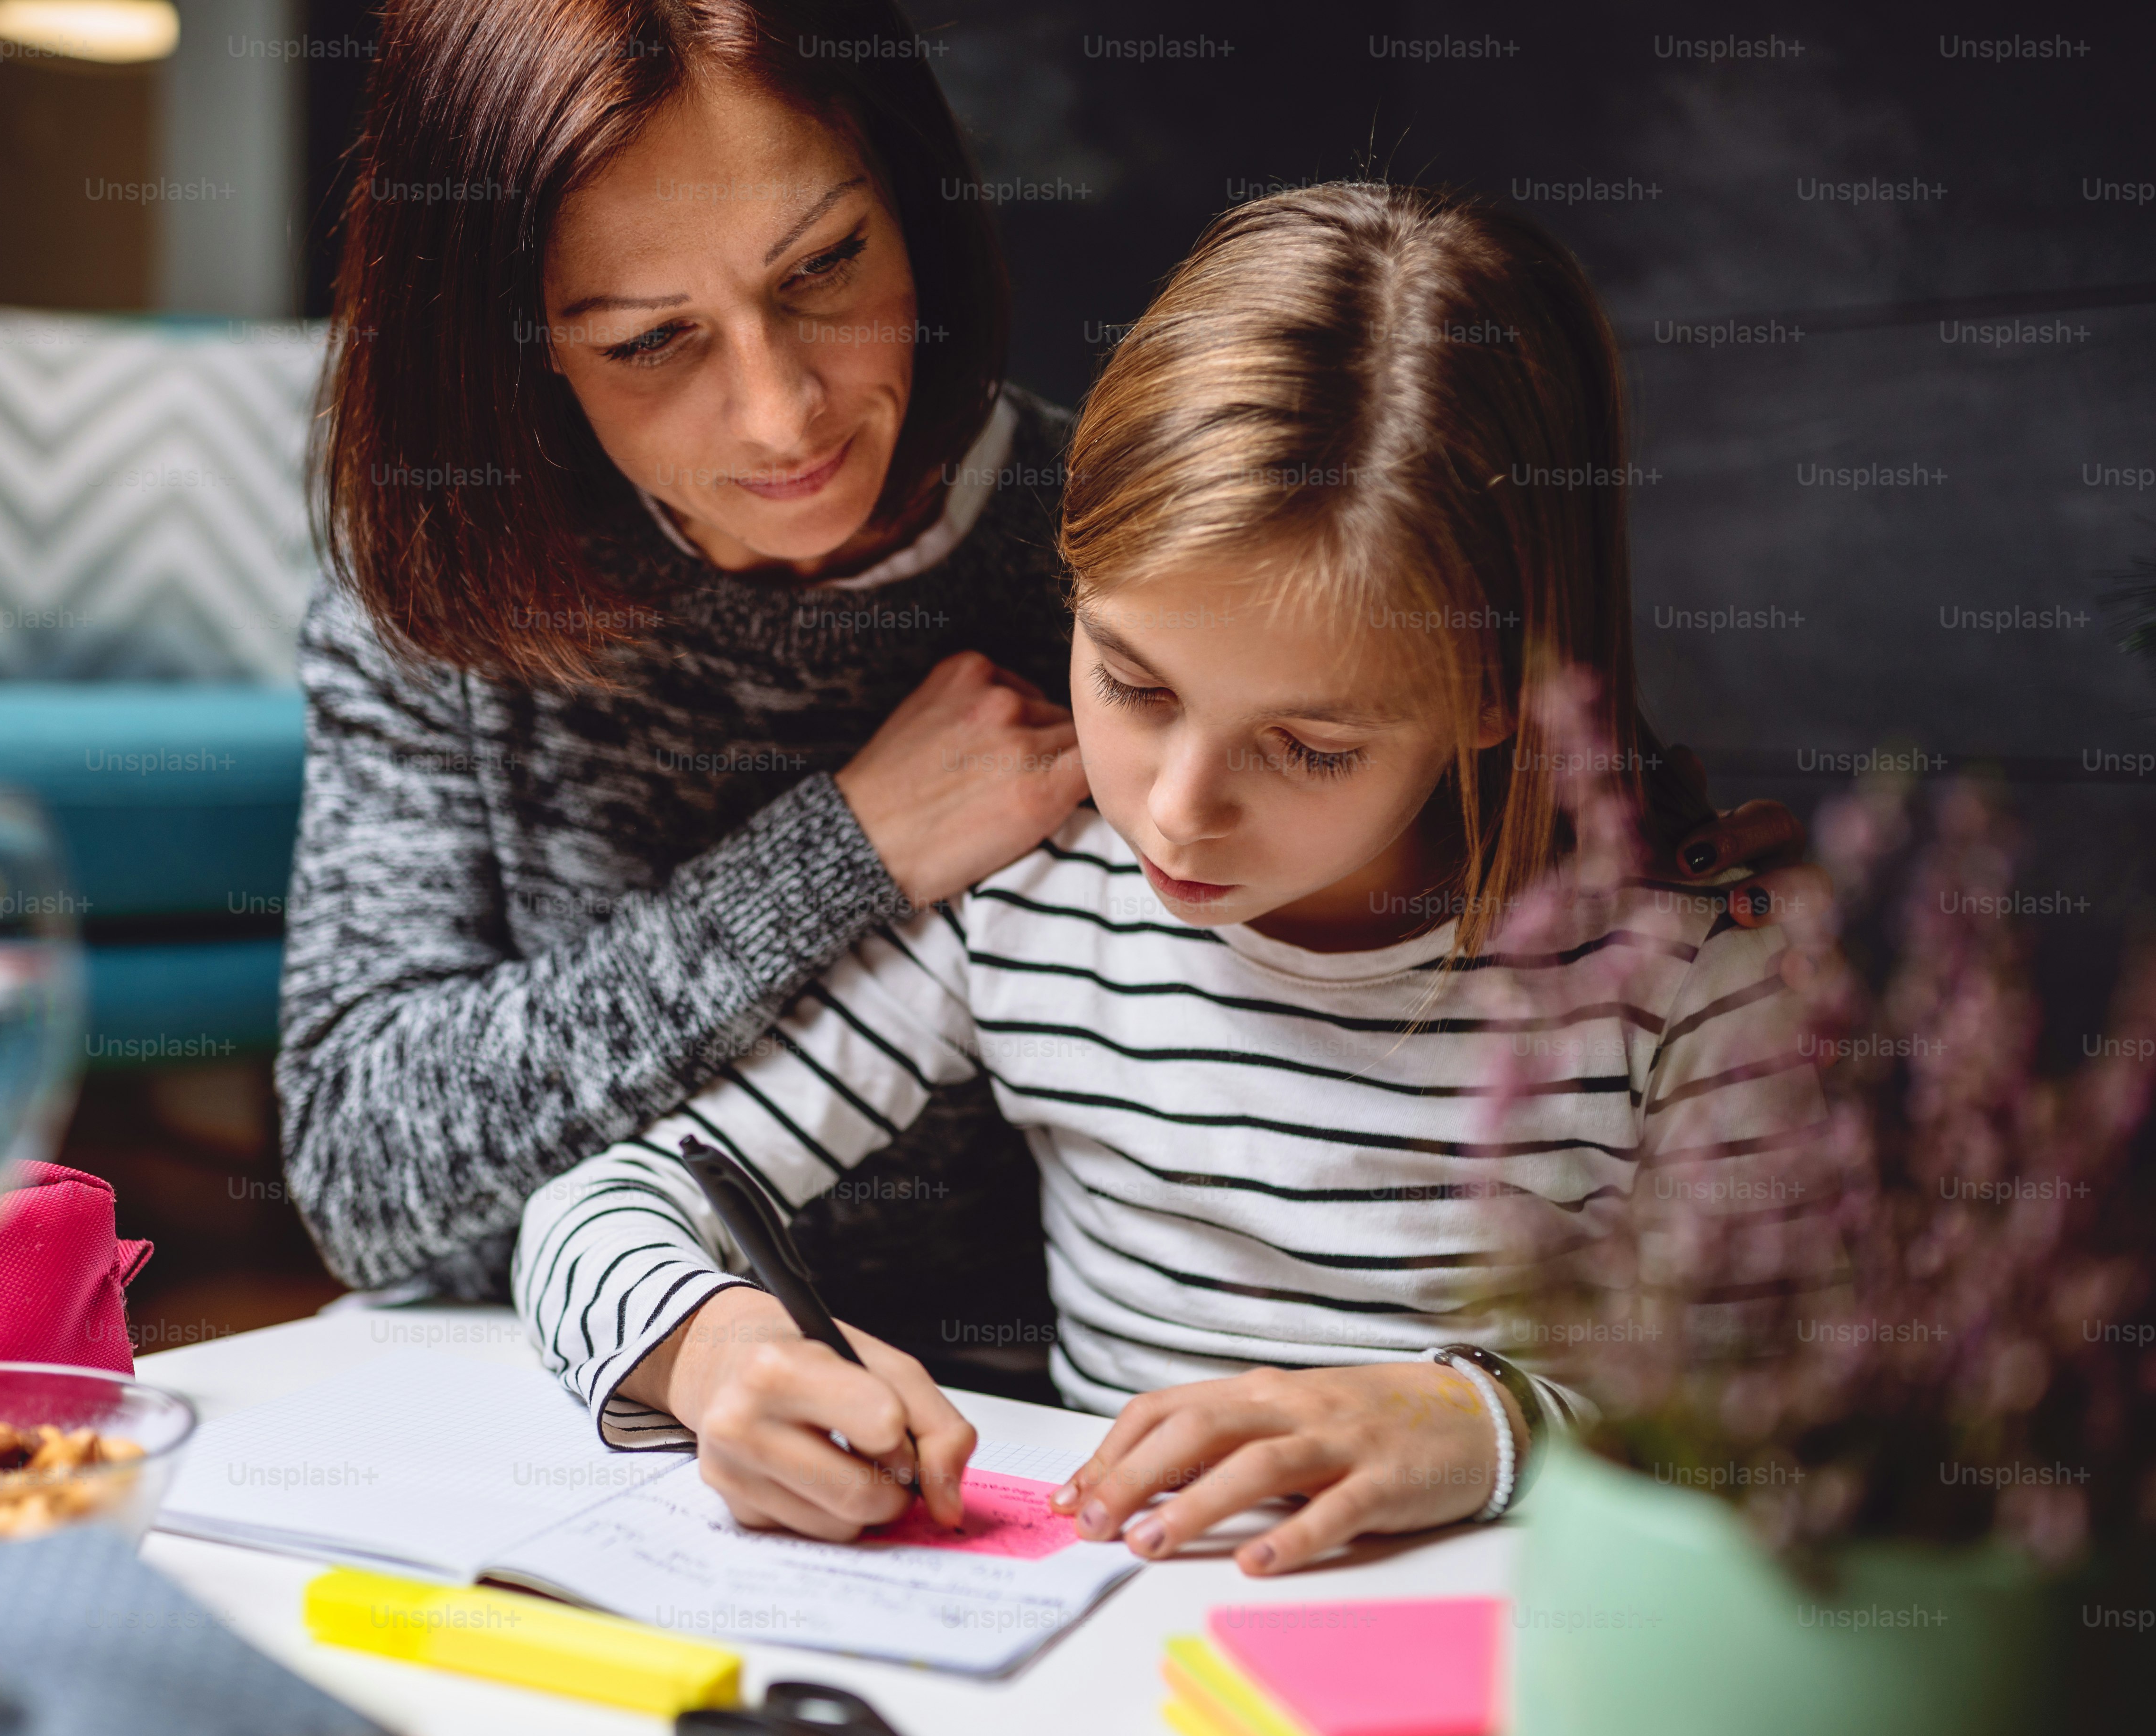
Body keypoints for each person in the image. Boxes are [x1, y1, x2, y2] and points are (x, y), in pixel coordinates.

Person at [280, 0, 1810, 1396]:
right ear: (516, 349)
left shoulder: (1154, 535)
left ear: (917, 211)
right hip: (566, 1392)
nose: (781, 409)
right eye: (648, 340)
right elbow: (364, 1179)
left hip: (1021, 1434)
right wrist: (838, 856)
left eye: (826, 268)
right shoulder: (443, 573)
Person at [510, 183, 1828, 1576]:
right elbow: (593, 1208)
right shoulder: (1032, 906)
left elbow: (1780, 1420)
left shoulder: (1691, 975)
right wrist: (720, 1357)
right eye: (1132, 684)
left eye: (1311, 749)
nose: (1181, 814)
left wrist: (1478, 1424)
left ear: (1497, 694)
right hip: (1098, 1665)